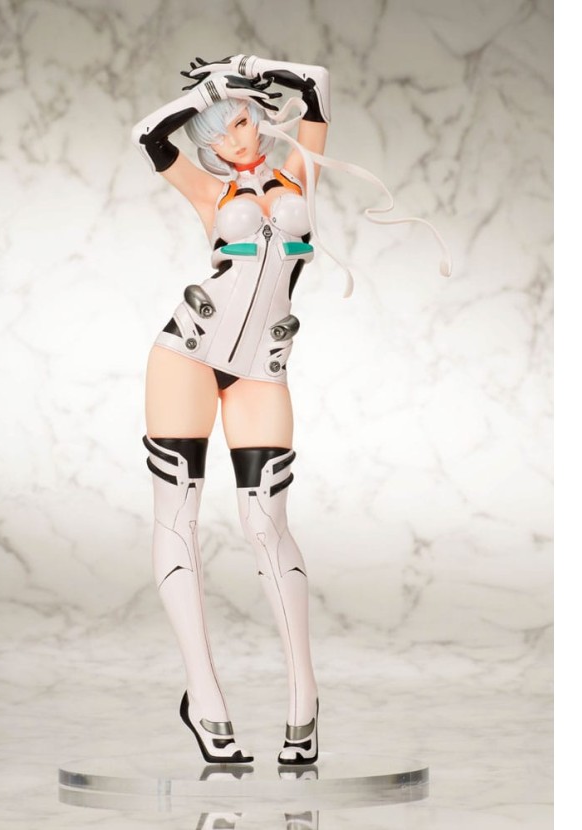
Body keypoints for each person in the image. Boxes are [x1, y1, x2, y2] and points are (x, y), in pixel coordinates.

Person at [131, 54, 450, 766]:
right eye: (220, 130)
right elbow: (147, 136)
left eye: (242, 119)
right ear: (209, 144)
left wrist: (249, 66)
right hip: (186, 353)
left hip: (262, 368)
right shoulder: (207, 188)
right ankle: (204, 697)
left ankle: (304, 699)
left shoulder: (300, 173)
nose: (236, 136)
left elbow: (317, 86)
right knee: (178, 516)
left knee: (266, 523)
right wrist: (207, 95)